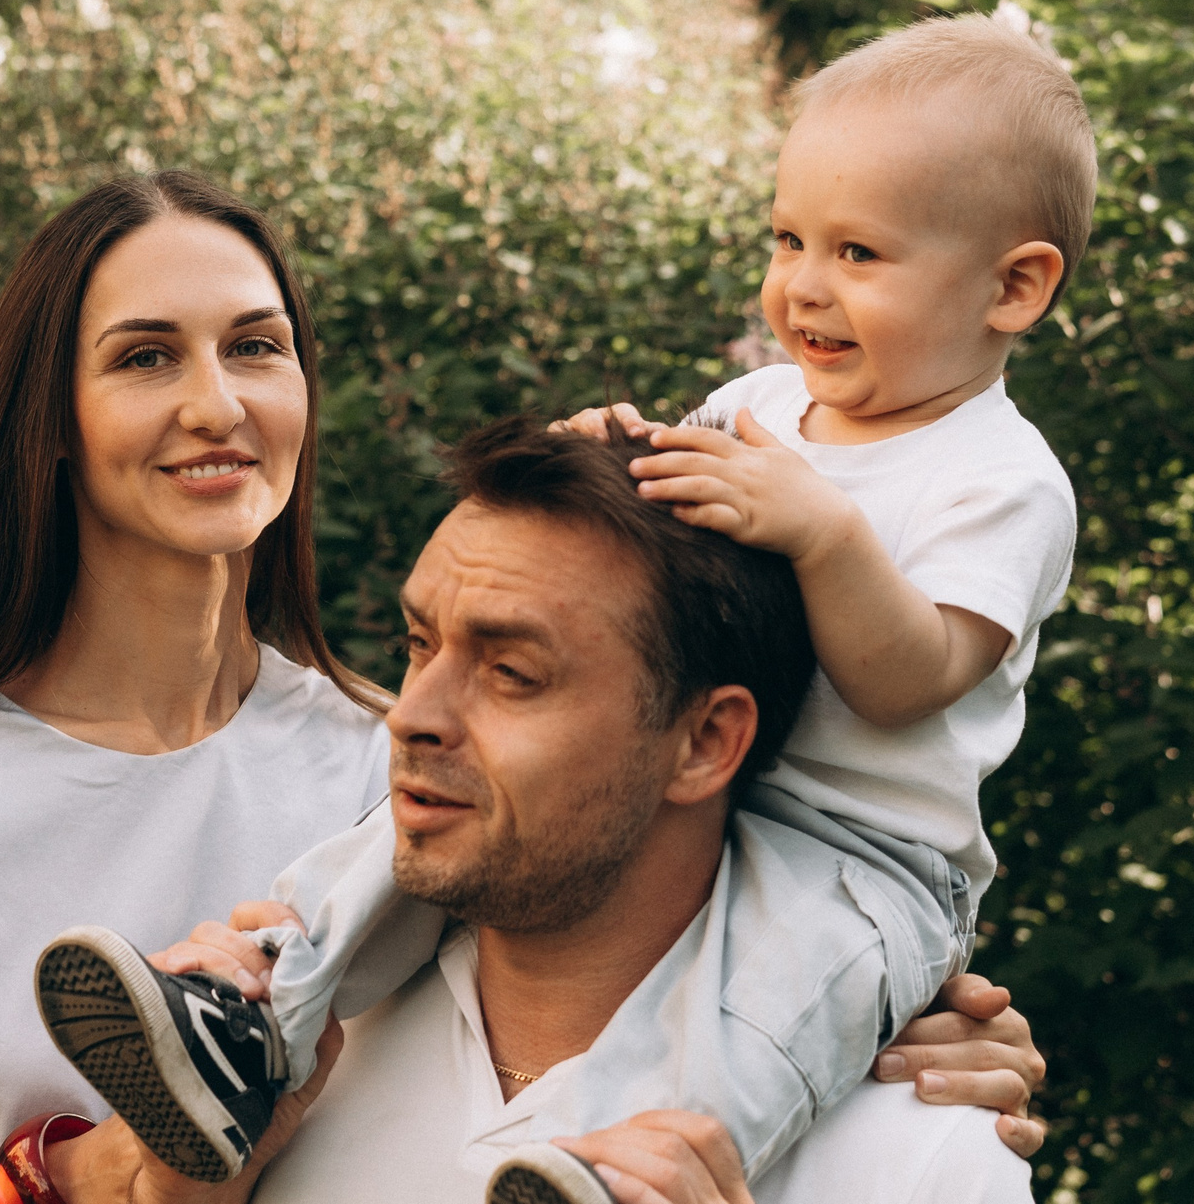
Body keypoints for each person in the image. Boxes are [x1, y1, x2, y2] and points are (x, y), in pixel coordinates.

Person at [0, 170, 1045, 1203]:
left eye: (256, 346)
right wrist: (64, 1189)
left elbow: (594, 959)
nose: (216, 403)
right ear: (45, 420)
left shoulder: (389, 768)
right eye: (143, 358)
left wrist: (908, 1053)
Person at [35, 11, 1087, 1204]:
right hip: (727, 813)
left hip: (859, 857)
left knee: (766, 1019)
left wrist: (823, 527)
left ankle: (627, 1168)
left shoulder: (999, 480)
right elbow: (658, 545)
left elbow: (910, 679)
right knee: (382, 838)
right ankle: (248, 1015)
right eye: (788, 237)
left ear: (1015, 285)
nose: (801, 284)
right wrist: (615, 451)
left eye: (859, 254)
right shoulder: (765, 399)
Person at [51, 418, 1035, 1204]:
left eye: (512, 673)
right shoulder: (287, 1064)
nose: (414, 716)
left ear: (703, 743)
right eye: (417, 644)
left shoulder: (919, 1159)